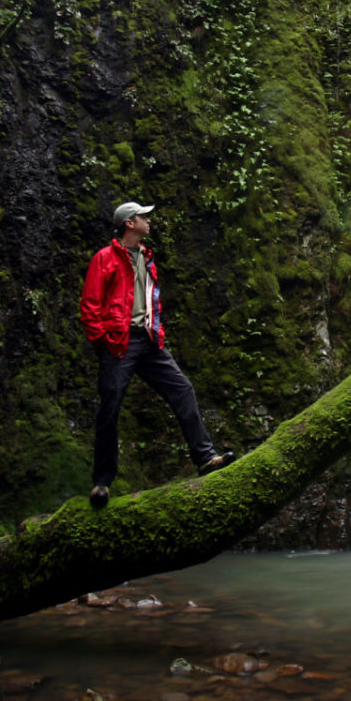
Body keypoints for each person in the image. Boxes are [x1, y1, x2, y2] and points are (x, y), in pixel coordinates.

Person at [80, 201, 234, 508]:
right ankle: (102, 483)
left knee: (183, 389)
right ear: (129, 223)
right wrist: (104, 339)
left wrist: (157, 330)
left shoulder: (148, 257)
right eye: (143, 217)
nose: (149, 221)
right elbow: (90, 305)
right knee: (110, 409)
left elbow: (151, 299)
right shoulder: (105, 258)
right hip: (119, 341)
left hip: (149, 341)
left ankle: (205, 458)